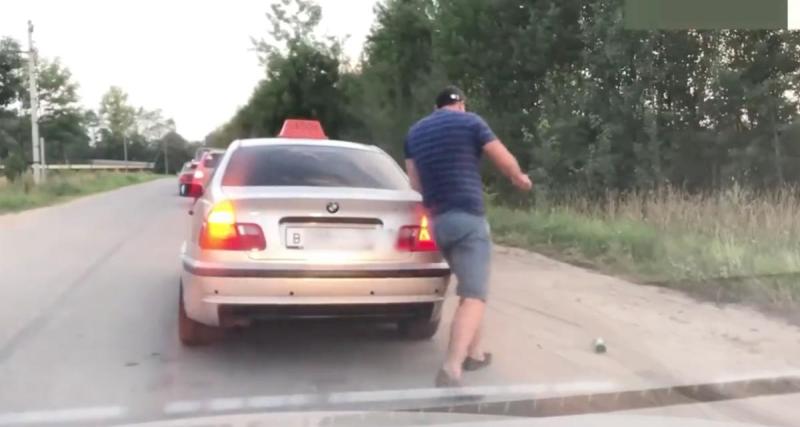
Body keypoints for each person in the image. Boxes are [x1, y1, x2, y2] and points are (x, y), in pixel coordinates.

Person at [404, 86, 533, 387]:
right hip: (467, 219)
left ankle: (474, 353)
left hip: (437, 222)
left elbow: (414, 182)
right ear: (460, 104)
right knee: (474, 295)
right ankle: (452, 368)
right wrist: (519, 178)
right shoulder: (471, 121)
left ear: (437, 108)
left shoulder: (414, 133)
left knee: (468, 286)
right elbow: (502, 157)